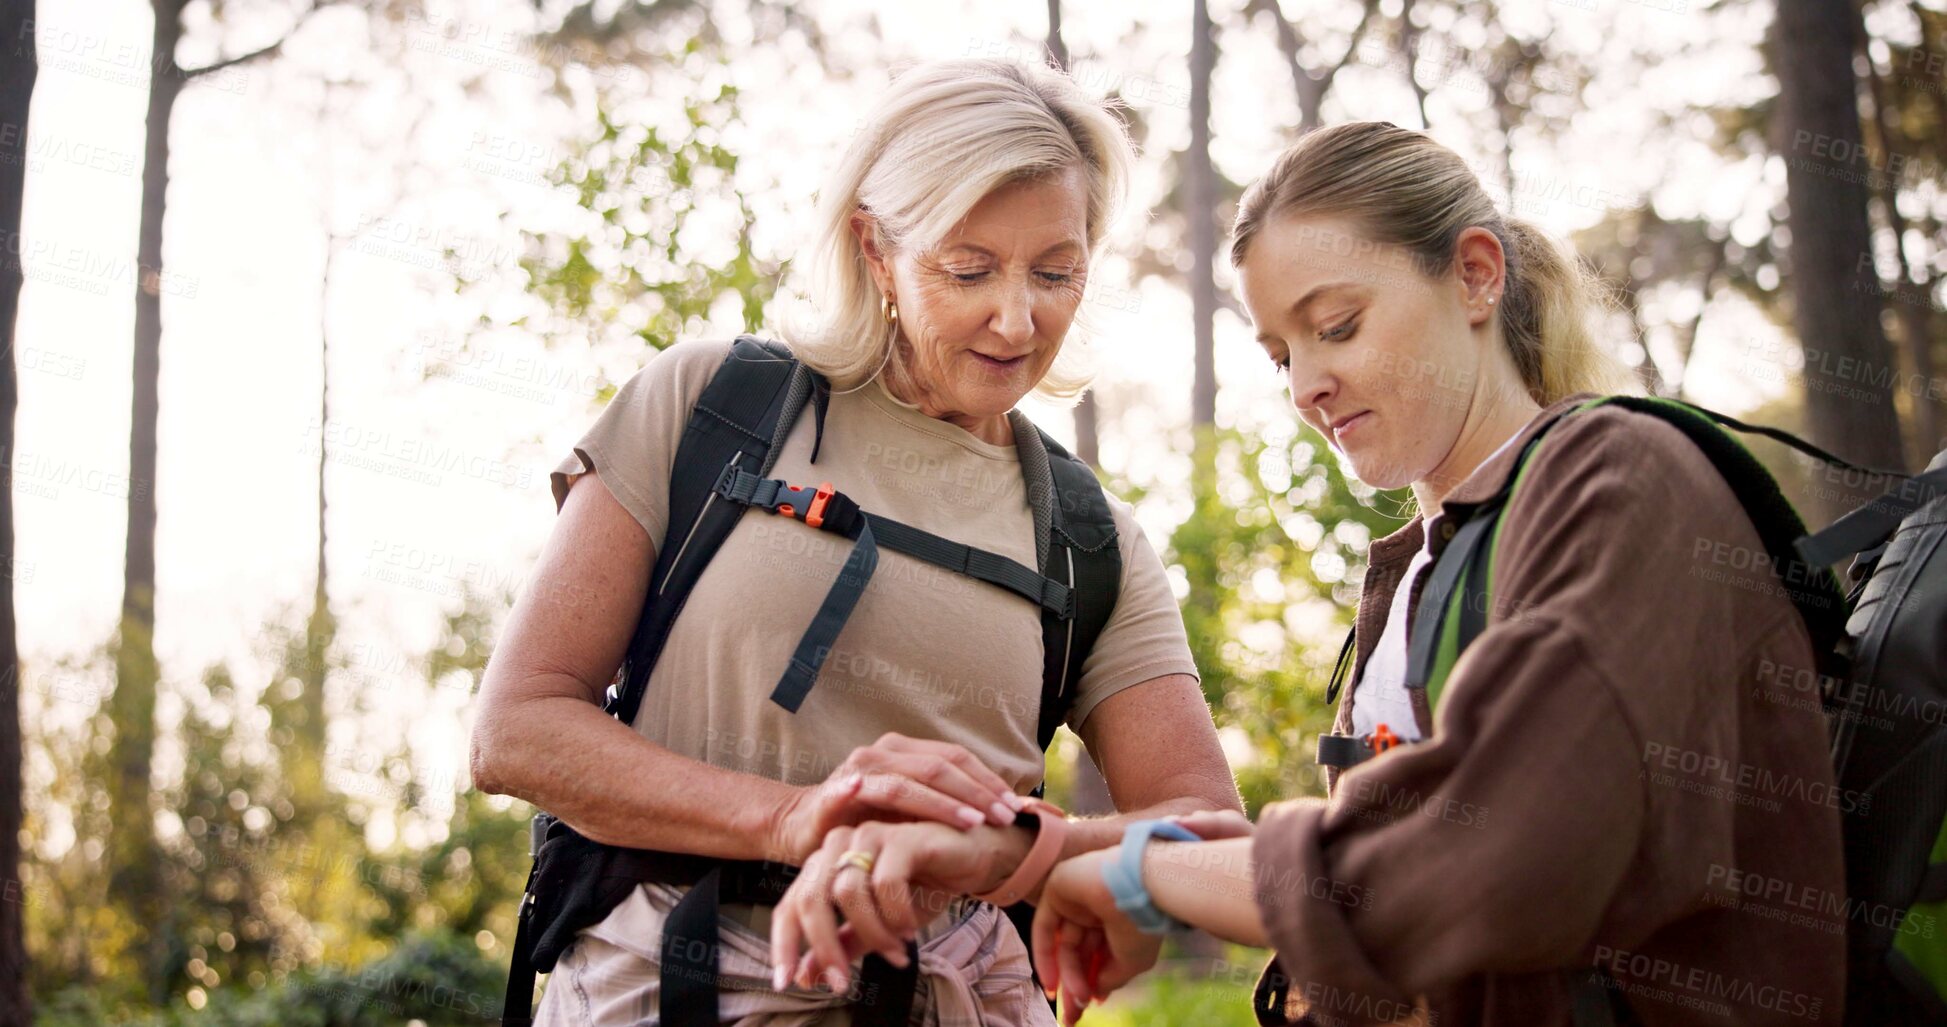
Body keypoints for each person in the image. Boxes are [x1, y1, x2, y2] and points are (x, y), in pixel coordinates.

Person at [469, 57, 1243, 1026]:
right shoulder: (710, 406)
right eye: (969, 269)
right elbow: (517, 730)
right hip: (667, 990)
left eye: (1057, 271)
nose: (1019, 316)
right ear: (874, 249)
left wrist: (1015, 850)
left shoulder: (1092, 539)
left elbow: (1208, 840)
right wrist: (796, 818)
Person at [1025, 121, 1846, 1026]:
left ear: (1474, 275)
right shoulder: (1424, 566)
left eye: (1335, 326)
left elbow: (1493, 858)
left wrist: (1146, 868)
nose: (1305, 387)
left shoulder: (1619, 482)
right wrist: (1048, 851)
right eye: (1280, 357)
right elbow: (1371, 869)